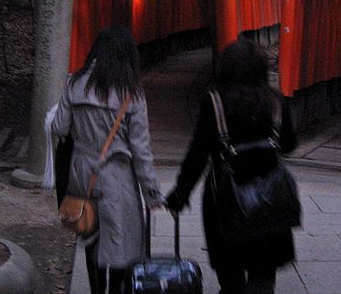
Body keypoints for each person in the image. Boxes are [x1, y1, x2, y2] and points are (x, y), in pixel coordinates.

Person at [166, 39, 298, 294]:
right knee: (263, 275)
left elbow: (198, 155)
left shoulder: (215, 104)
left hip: (225, 203)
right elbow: (289, 144)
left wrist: (180, 195)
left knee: (231, 278)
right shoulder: (275, 102)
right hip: (270, 202)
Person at [52, 26, 163, 294]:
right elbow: (141, 150)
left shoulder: (74, 84)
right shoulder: (131, 94)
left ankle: (96, 289)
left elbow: (59, 128)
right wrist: (152, 194)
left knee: (90, 236)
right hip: (117, 177)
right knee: (121, 243)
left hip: (82, 175)